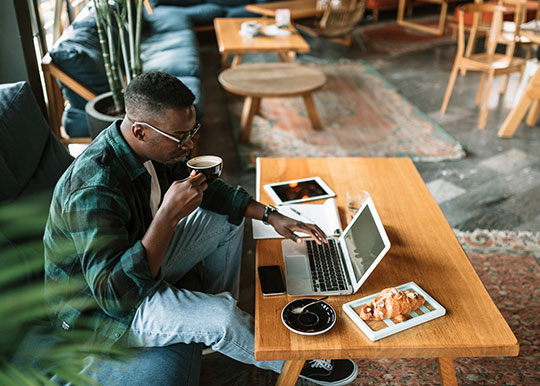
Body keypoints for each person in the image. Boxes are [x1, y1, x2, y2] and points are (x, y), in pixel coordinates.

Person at [44, 71, 358, 385]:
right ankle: (294, 361)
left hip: (138, 266)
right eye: (181, 136)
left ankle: (207, 318)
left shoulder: (153, 148)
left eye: (192, 131)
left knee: (228, 219)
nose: (190, 143)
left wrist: (271, 215)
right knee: (222, 319)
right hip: (103, 313)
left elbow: (209, 189)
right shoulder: (94, 189)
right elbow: (115, 296)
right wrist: (167, 215)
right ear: (140, 131)